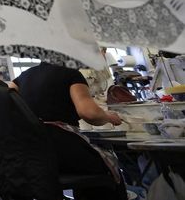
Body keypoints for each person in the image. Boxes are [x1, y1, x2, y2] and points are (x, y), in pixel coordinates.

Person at [10, 62, 127, 200]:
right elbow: (89, 113)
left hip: (33, 154)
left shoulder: (21, 78)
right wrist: (108, 116)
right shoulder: (70, 73)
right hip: (62, 149)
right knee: (109, 166)